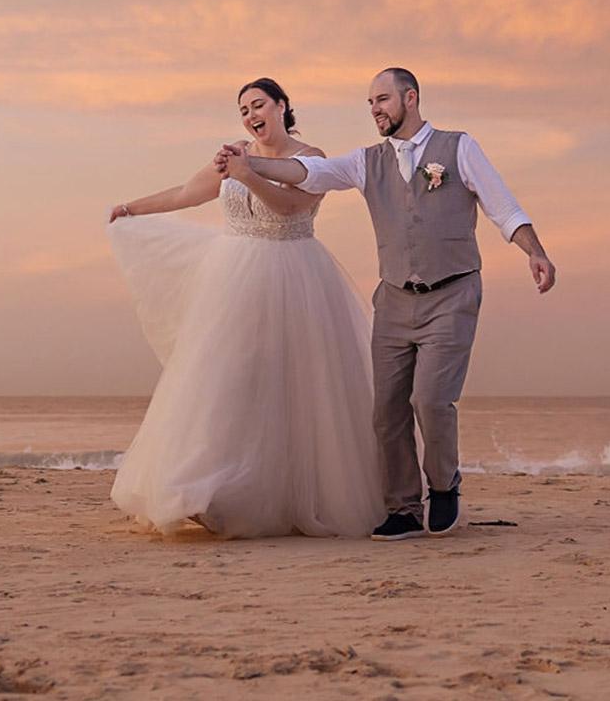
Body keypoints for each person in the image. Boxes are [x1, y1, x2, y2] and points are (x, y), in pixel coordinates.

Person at [219, 67, 555, 540]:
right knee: (388, 411)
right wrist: (250, 165)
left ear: (410, 98)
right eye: (369, 103)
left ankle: (443, 485)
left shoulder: (458, 148)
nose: (374, 109)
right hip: (395, 298)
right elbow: (310, 172)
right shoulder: (365, 161)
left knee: (431, 400)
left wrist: (535, 252)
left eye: (382, 99)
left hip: (453, 292)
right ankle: (402, 509)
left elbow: (504, 207)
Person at [105, 78, 383, 538]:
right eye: (243, 110)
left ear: (282, 107)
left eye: (259, 105)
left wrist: (248, 173)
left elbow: (292, 207)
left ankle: (280, 496)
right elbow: (186, 193)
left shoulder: (312, 158)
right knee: (223, 379)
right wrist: (133, 208)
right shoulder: (233, 152)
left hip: (297, 277)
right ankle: (206, 489)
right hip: (233, 277)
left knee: (296, 387)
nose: (251, 115)